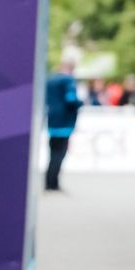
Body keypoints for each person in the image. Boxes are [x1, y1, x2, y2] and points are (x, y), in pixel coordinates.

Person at [44, 59, 82, 192]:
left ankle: (49, 181)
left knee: (52, 153)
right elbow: (70, 99)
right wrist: (80, 103)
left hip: (51, 120)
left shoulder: (50, 80)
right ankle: (53, 183)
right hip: (64, 122)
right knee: (59, 155)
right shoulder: (68, 81)